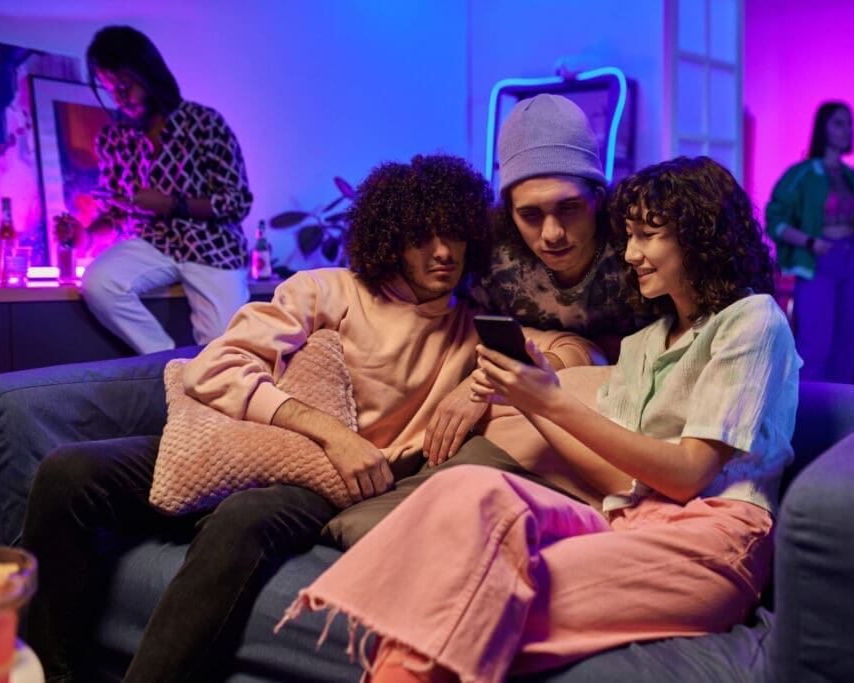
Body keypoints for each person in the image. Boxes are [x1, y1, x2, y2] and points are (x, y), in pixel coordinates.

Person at [21, 153, 598, 682]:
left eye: (454, 236)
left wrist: (481, 387)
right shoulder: (325, 290)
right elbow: (214, 367)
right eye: (423, 236)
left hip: (332, 485)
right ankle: (50, 671)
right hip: (242, 442)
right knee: (68, 472)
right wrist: (327, 432)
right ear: (391, 238)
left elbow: (577, 351)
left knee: (245, 518)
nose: (442, 252)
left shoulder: (471, 328)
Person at [279, 156, 802, 683]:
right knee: (469, 489)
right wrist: (529, 398)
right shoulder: (643, 344)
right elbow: (626, 481)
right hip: (625, 518)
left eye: (648, 235)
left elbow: (688, 477)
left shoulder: (751, 319)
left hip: (712, 539)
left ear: (698, 236)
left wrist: (551, 402)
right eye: (628, 236)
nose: (631, 253)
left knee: (469, 602)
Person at [423, 93, 645, 467]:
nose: (552, 233)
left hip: (633, 415)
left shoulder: (639, 248)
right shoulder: (488, 259)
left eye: (569, 207)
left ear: (598, 198)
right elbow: (460, 333)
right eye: (530, 214)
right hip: (529, 417)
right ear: (508, 212)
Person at [54, 26, 253, 355]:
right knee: (98, 282)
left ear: (147, 72)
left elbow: (236, 201)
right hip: (153, 242)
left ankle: (207, 375)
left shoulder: (203, 123)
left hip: (213, 246)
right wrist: (85, 236)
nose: (119, 98)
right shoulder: (114, 137)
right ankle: (166, 361)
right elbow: (117, 211)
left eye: (124, 86)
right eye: (110, 89)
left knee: (224, 345)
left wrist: (172, 204)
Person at [766, 101, 854, 383]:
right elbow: (775, 217)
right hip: (818, 261)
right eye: (838, 123)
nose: (847, 129)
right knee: (815, 344)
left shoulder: (851, 174)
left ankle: (843, 417)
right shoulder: (801, 173)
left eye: (849, 123)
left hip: (852, 260)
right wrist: (810, 242)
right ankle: (807, 418)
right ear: (823, 128)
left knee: (848, 344)